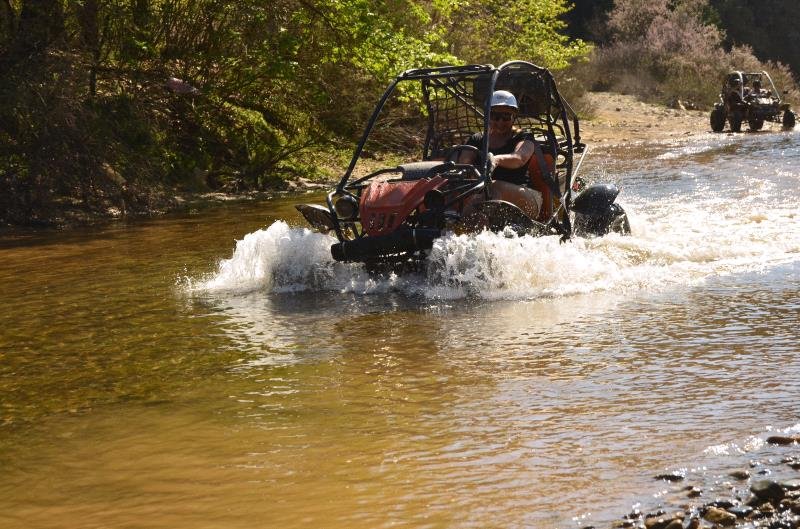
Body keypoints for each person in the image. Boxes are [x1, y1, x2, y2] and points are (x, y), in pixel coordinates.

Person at [458, 90, 543, 219]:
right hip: (482, 195)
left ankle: (467, 224)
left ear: (514, 116)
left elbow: (519, 158)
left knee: (491, 188)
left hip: (525, 196)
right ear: (488, 115)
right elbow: (464, 164)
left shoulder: (523, 137)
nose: (500, 122)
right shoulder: (477, 139)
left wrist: (496, 160)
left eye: (506, 116)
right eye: (495, 116)